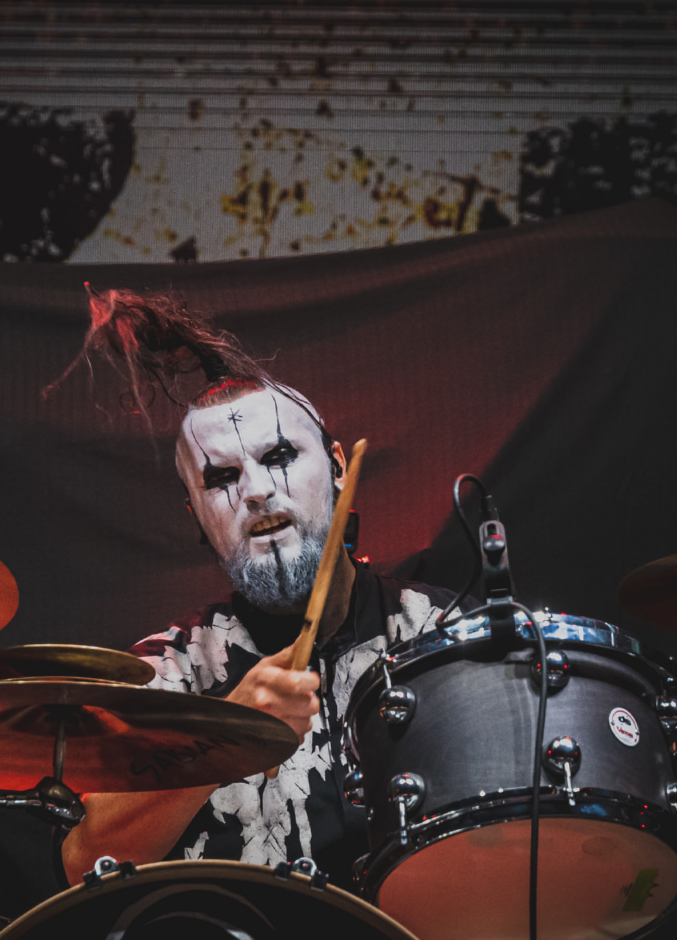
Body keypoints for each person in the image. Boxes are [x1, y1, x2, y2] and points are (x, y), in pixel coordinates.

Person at [59, 288, 455, 886]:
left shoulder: (444, 632)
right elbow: (81, 863)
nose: (257, 491)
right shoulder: (163, 674)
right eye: (222, 477)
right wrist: (226, 733)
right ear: (195, 516)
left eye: (279, 456)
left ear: (338, 467)